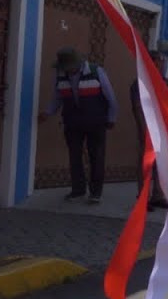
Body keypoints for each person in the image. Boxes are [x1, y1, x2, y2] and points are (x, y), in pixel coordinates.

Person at [39, 46, 118, 203]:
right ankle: (78, 189)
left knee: (96, 156)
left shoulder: (96, 72)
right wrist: (48, 112)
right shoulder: (60, 76)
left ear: (77, 64)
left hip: (95, 121)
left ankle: (95, 193)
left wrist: (111, 119)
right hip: (72, 122)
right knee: (74, 156)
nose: (67, 70)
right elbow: (57, 98)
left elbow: (111, 98)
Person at [130, 50, 168, 209]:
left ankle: (158, 195)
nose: (161, 64)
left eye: (162, 61)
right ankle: (142, 197)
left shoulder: (165, 82)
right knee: (145, 163)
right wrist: (143, 130)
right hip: (147, 128)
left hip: (162, 129)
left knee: (161, 163)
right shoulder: (139, 83)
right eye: (158, 61)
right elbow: (137, 107)